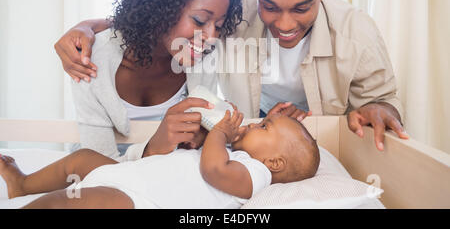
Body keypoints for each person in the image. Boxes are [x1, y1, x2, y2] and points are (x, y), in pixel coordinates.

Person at [54, 0, 409, 151]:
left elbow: (382, 102)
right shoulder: (236, 12)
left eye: (301, 8)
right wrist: (87, 27)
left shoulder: (356, 30)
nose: (285, 24)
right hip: (251, 122)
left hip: (311, 135)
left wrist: (383, 108)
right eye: (271, 6)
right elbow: (159, 16)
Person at [61, 0, 244, 161]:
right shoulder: (90, 60)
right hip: (102, 179)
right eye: (200, 20)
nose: (211, 37)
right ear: (161, 9)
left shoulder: (202, 58)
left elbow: (195, 148)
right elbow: (95, 170)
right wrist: (151, 150)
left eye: (219, 26)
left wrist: (206, 134)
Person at [0, 111, 320, 209]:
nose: (253, 123)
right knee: (81, 158)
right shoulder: (233, 154)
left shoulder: (255, 172)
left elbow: (212, 171)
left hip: (139, 199)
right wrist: (203, 139)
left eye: (264, 127)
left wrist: (220, 135)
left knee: (68, 203)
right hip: (129, 174)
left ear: (275, 163)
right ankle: (23, 183)